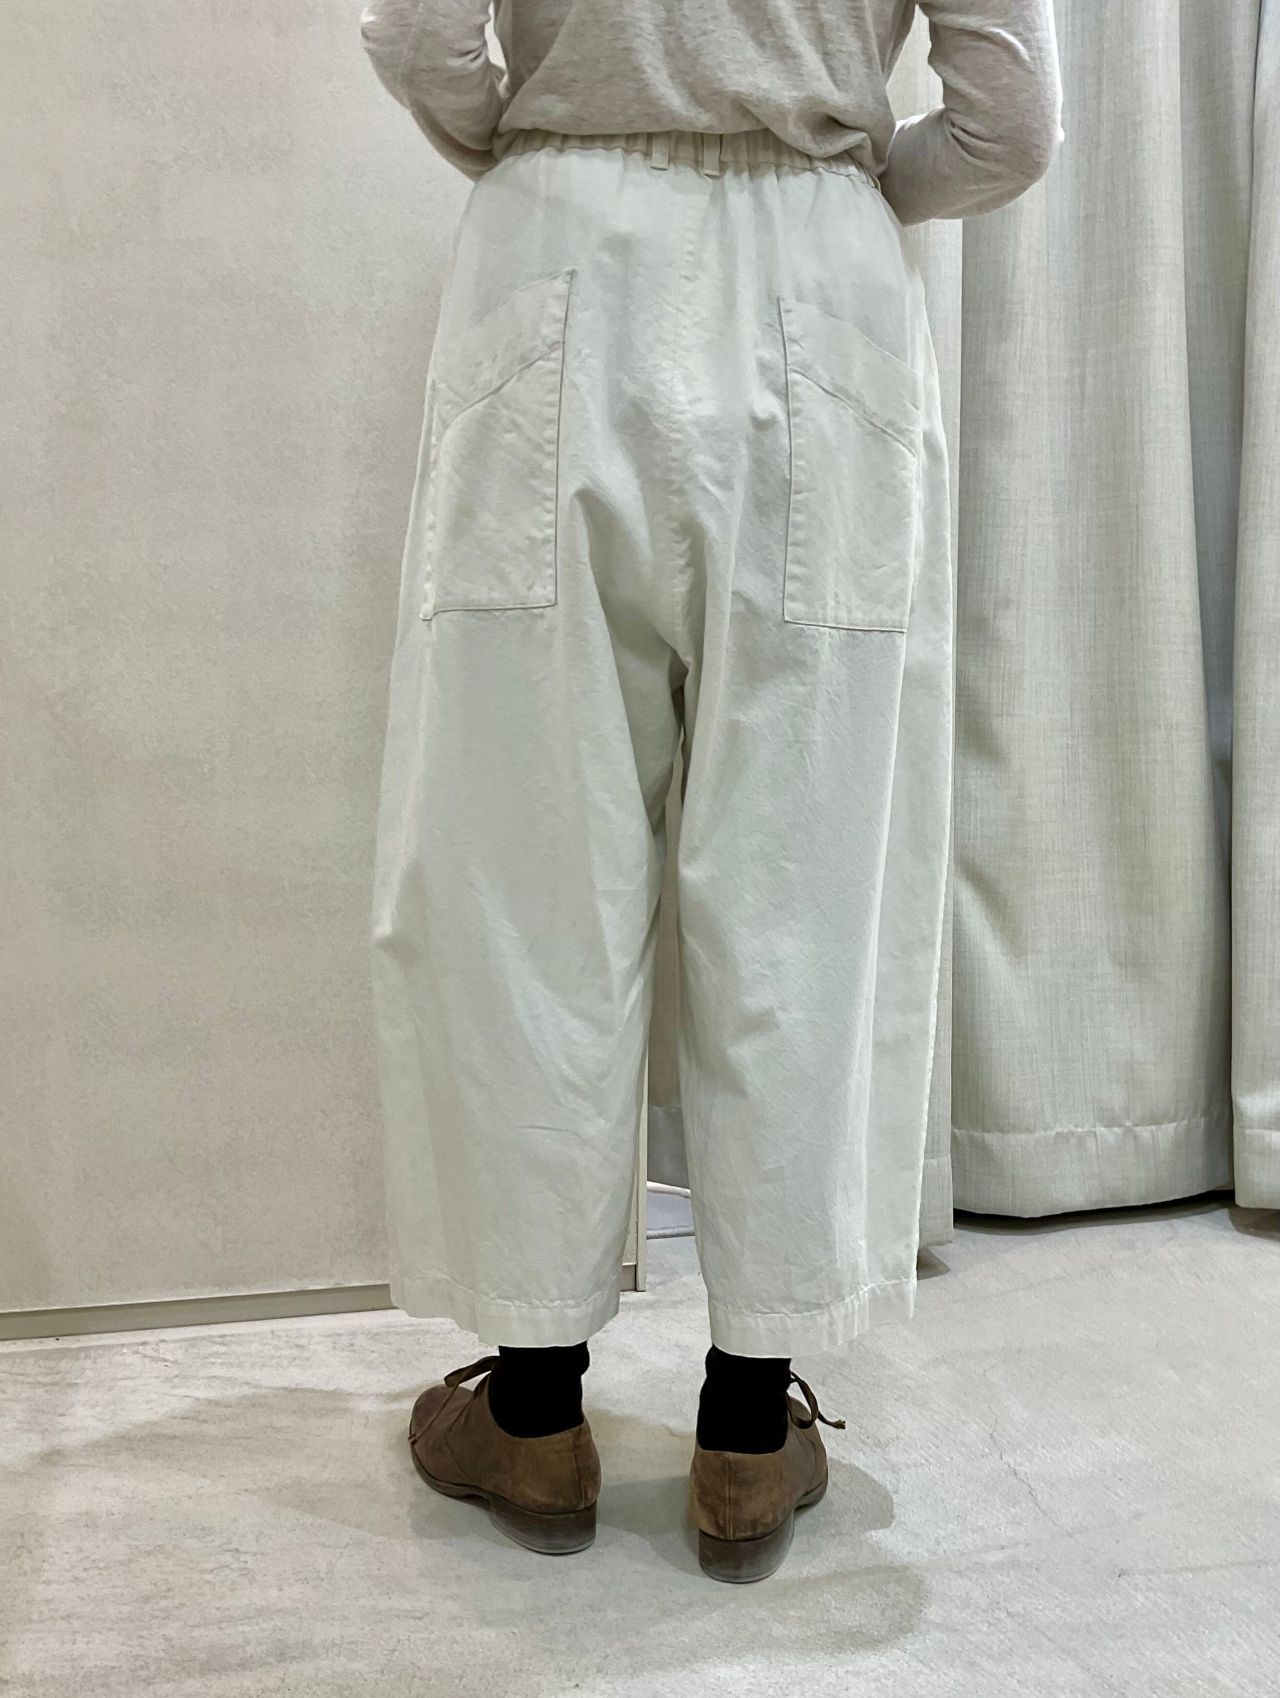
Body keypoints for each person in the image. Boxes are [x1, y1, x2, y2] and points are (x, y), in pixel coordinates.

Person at [360, 0, 1063, 1582]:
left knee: (521, 864)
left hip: (559, 257)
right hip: (825, 281)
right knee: (806, 871)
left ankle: (532, 1407)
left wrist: (543, 140)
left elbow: (417, 32)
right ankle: (748, 1432)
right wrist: (839, 173)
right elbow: (1010, 121)